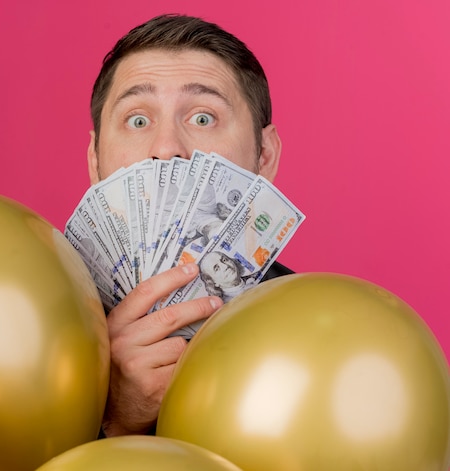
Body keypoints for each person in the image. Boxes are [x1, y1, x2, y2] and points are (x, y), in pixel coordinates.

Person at [85, 13, 293, 437]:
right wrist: (113, 421)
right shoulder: (40, 321)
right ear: (94, 161)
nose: (166, 149)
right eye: (138, 120)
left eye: (202, 118)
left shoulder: (312, 326)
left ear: (265, 156)